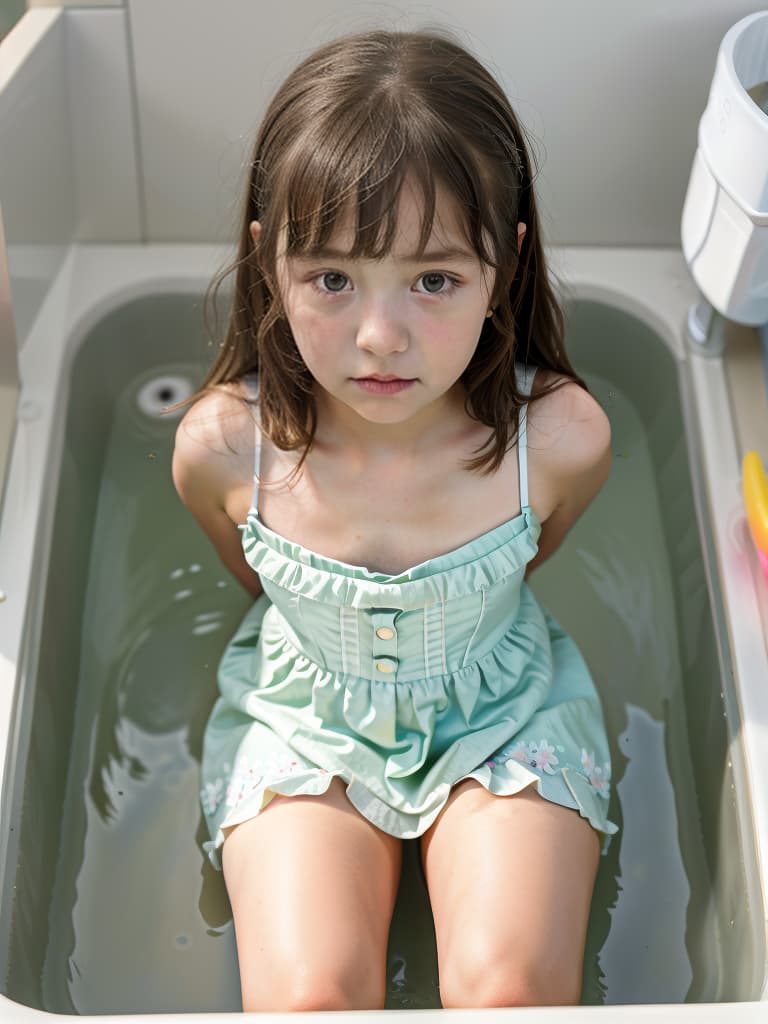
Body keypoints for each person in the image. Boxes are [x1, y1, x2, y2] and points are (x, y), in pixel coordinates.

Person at [173, 27, 618, 1012]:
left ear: (505, 264)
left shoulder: (559, 437)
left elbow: (533, 551)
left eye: (434, 280)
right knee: (311, 999)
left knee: (508, 992)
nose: (381, 337)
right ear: (269, 263)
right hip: (304, 720)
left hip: (507, 712)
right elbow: (254, 576)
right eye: (331, 278)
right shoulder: (225, 447)